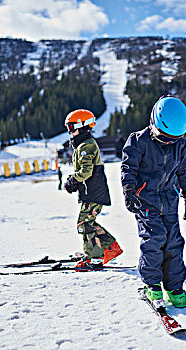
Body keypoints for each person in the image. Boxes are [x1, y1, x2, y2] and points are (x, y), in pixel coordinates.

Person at [121, 96, 186, 308]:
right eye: (165, 138)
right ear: (153, 122)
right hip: (145, 200)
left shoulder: (179, 144)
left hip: (169, 200)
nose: (170, 143)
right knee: (154, 239)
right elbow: (128, 169)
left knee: (174, 242)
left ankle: (174, 286)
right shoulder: (138, 140)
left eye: (175, 138)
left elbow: (183, 170)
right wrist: (129, 190)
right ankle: (152, 284)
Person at [63, 109, 123, 268]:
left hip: (93, 194)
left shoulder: (86, 146)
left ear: (82, 126)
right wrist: (76, 182)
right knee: (88, 222)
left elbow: (86, 171)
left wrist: (72, 180)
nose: (70, 132)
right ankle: (110, 248)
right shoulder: (84, 144)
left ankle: (94, 258)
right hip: (92, 192)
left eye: (71, 127)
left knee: (84, 224)